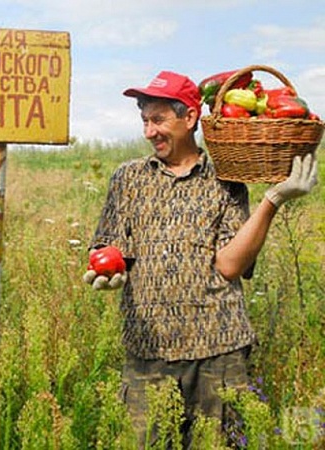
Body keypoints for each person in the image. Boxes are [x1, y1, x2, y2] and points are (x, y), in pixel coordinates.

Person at [83, 71, 318, 447]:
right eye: (144, 121)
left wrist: (273, 199)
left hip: (219, 357)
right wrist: (105, 268)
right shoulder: (127, 178)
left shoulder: (227, 180)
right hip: (148, 355)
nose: (149, 132)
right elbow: (108, 247)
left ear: (190, 117)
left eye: (158, 120)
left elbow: (229, 266)